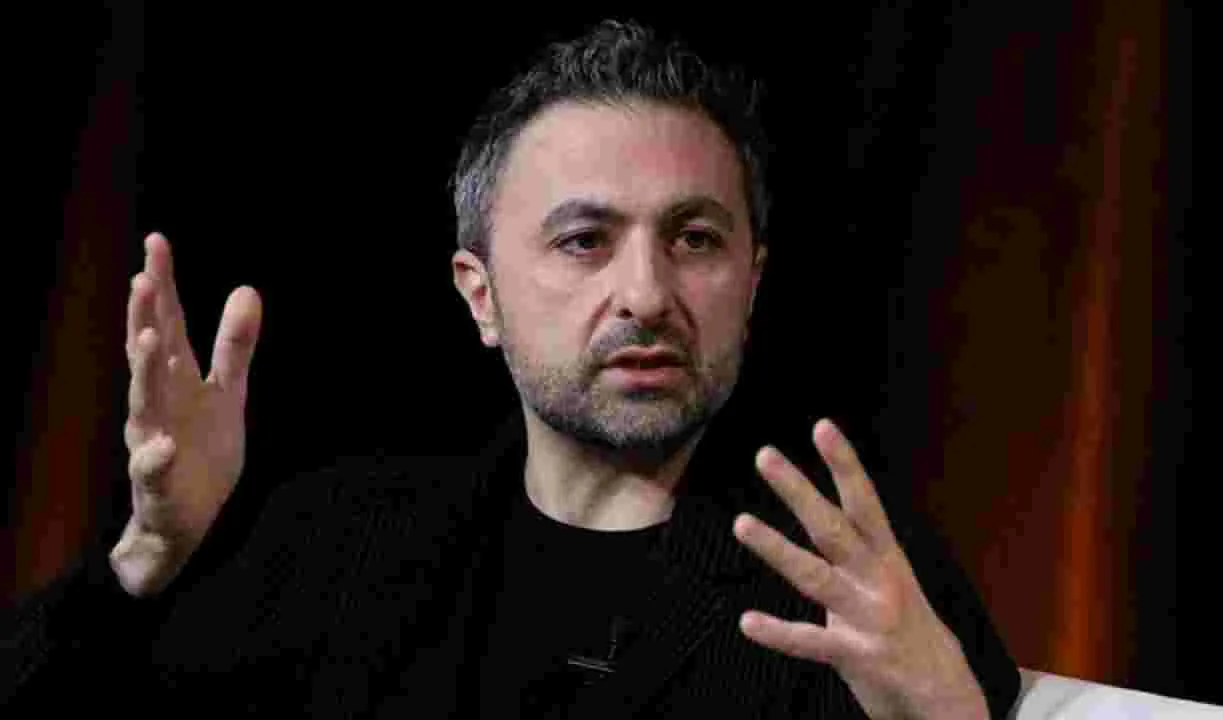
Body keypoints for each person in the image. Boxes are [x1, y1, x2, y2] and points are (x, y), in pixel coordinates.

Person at [2, 19, 1021, 718]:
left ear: (751, 282)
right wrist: (146, 557)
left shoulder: (857, 583)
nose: (646, 293)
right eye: (584, 241)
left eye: (695, 239)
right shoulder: (339, 545)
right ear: (479, 294)